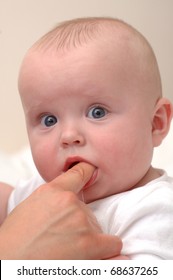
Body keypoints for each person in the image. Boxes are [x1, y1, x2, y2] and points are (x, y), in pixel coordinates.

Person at [6, 17, 173, 259]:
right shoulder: (45, 192)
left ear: (156, 123)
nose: (69, 136)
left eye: (97, 112)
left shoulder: (156, 207)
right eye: (48, 120)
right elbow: (9, 202)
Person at [0, 162, 124, 259]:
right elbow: (8, 201)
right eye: (47, 127)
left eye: (98, 126)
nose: (68, 136)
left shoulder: (138, 209)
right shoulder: (44, 188)